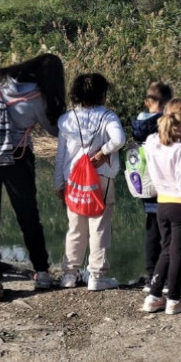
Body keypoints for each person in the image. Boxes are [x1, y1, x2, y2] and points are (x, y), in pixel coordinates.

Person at [0, 53, 66, 300]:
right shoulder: (38, 97)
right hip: (17, 157)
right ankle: (42, 272)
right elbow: (54, 130)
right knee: (28, 215)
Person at [54, 73, 126, 291]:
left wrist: (59, 183)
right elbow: (119, 140)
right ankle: (96, 275)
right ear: (102, 95)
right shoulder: (108, 117)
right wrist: (103, 152)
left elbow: (60, 156)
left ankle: (69, 274)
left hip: (73, 180)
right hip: (100, 178)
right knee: (99, 226)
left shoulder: (67, 119)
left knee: (75, 228)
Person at [142, 98, 181, 315]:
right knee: (178, 252)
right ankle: (174, 299)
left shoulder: (151, 143)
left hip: (162, 205)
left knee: (166, 250)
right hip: (180, 207)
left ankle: (154, 296)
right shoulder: (180, 150)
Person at [131, 81, 173, 289]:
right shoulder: (164, 123)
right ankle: (163, 280)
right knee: (167, 233)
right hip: (164, 184)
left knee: (151, 229)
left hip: (146, 183)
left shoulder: (138, 124)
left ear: (147, 102)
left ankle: (150, 276)